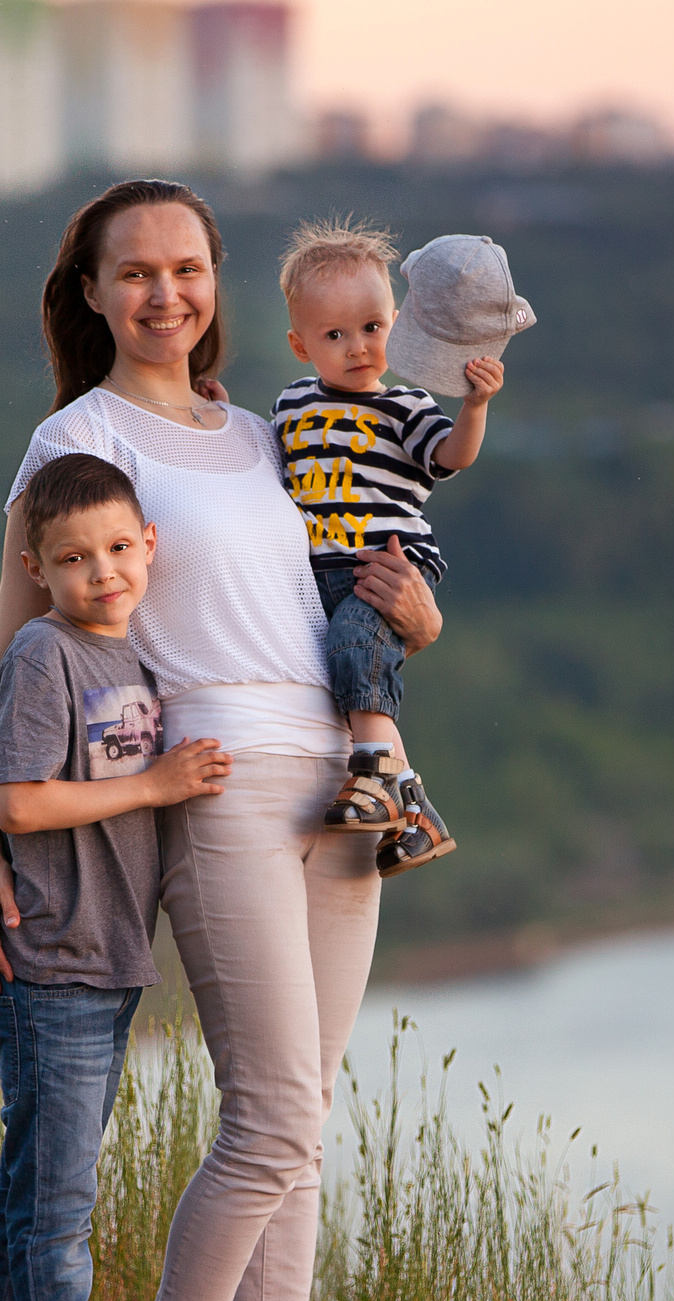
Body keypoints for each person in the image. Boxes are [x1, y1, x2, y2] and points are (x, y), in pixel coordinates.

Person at [0, 179, 443, 1301]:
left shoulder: (267, 429)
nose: (165, 293)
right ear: (94, 293)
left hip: (344, 773)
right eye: (136, 273)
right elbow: (13, 654)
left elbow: (344, 589)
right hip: (217, 777)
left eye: (189, 267)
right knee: (275, 1109)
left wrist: (422, 628)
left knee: (311, 1116)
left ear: (219, 280)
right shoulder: (84, 433)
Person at [0, 451, 229, 1301]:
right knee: (59, 1216)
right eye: (72, 557)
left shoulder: (140, 659)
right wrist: (154, 782)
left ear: (147, 546)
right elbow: (18, 804)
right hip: (50, 962)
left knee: (28, 1199)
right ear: (37, 567)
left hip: (109, 966)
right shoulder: (44, 654)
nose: (100, 571)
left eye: (115, 548)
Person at [269, 222, 528, 875]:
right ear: (301, 345)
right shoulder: (291, 405)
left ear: (397, 322)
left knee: (357, 648)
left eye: (372, 327)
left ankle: (374, 777)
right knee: (351, 670)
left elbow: (452, 457)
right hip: (317, 573)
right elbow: (257, 458)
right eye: (335, 335)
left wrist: (474, 405)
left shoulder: (404, 407)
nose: (358, 347)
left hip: (384, 566)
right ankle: (417, 812)